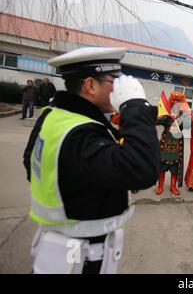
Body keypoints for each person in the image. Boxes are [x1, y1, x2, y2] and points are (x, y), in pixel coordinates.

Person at [22, 47, 160, 274]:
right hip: (79, 257)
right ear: (90, 85)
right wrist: (134, 105)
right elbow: (142, 169)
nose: (118, 88)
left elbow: (30, 162)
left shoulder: (54, 115)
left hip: (57, 244)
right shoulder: (81, 133)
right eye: (113, 81)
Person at [155, 91, 191, 196]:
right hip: (166, 139)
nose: (176, 102)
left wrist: (179, 119)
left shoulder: (185, 112)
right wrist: (167, 117)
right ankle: (160, 186)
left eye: (178, 100)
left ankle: (173, 186)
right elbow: (157, 121)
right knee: (162, 164)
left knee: (175, 166)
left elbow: (189, 126)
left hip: (177, 141)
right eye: (174, 100)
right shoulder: (166, 109)